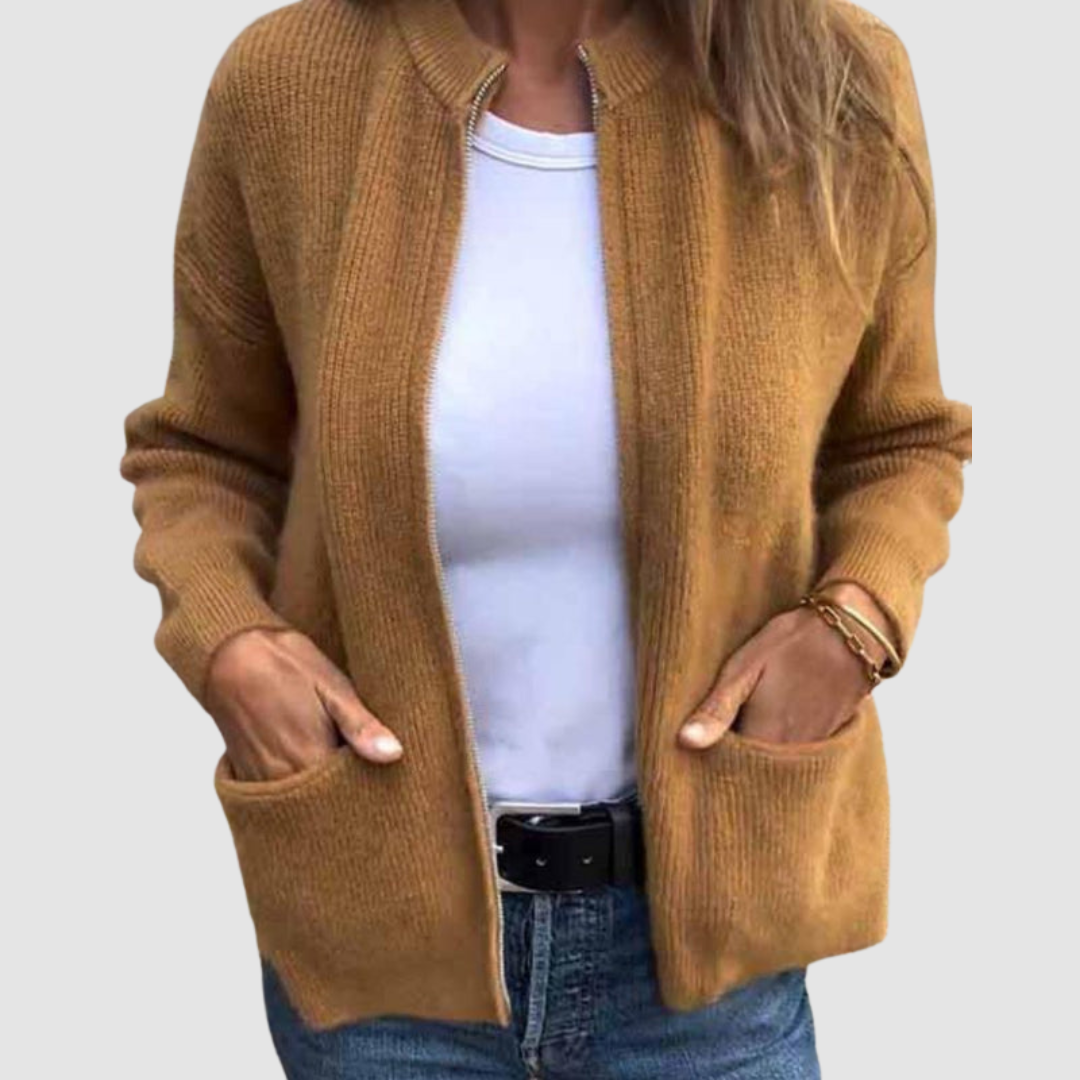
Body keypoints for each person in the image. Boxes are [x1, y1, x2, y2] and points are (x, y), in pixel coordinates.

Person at [118, 0, 973, 1076]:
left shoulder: (833, 76)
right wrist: (230, 644)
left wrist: (854, 623)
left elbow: (899, 440)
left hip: (703, 970)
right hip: (380, 953)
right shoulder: (288, 82)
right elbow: (203, 453)